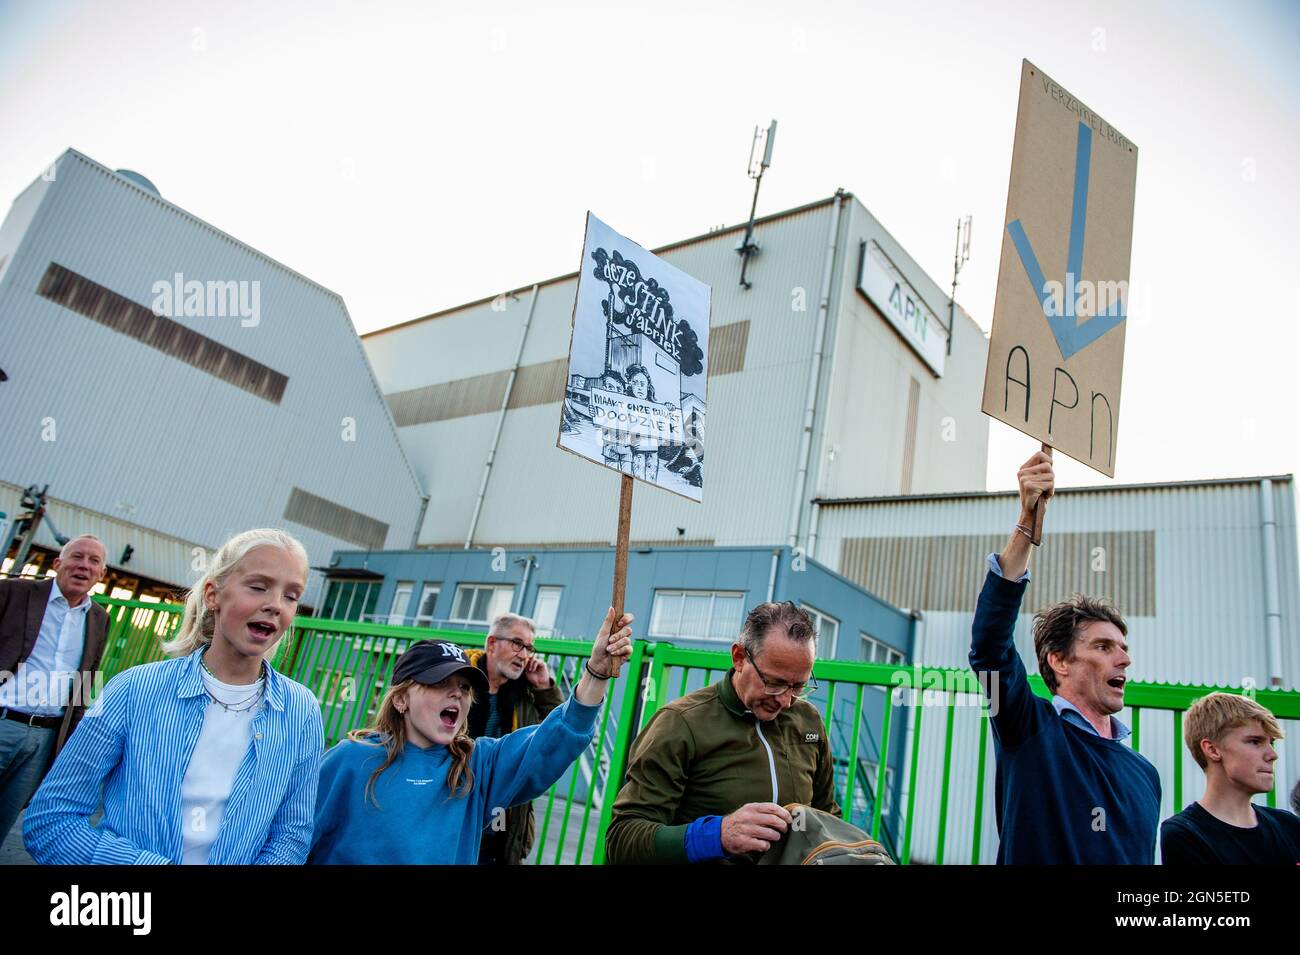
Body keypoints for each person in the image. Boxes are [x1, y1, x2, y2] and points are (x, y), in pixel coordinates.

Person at [23, 529, 324, 864]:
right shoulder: (133, 690)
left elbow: (291, 836)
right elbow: (51, 820)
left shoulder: (302, 711)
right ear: (213, 594)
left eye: (291, 596)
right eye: (258, 587)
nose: (275, 605)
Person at [308, 607, 633, 864]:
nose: (457, 696)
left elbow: (557, 737)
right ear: (400, 698)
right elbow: (294, 838)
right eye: (439, 684)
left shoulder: (478, 765)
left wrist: (597, 672)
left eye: (464, 688)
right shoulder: (349, 759)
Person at [969, 450, 1161, 863]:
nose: (1123, 660)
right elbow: (989, 649)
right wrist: (1027, 520)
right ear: (1059, 661)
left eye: (1124, 649)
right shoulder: (1030, 730)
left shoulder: (1146, 775)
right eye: (1103, 647)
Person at [605, 601, 838, 864]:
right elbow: (622, 841)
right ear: (739, 657)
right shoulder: (680, 724)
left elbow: (827, 817)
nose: (785, 701)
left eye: (798, 686)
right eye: (775, 683)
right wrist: (717, 835)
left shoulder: (808, 721)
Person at [0, 535, 109, 843]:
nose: (84, 566)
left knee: (6, 817)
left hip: (45, 737)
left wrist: (71, 741)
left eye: (94, 561)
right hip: (3, 719)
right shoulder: (13, 593)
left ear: (102, 574)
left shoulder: (100, 619)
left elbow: (87, 680)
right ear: (58, 564)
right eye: (77, 557)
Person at [465, 612, 563, 865]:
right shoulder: (458, 680)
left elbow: (558, 732)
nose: (524, 654)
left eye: (529, 647)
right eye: (517, 643)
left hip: (502, 827)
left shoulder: (525, 693)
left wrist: (544, 688)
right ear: (491, 643)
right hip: (456, 812)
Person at [1159, 692, 1300, 863]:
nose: (1272, 754)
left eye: (1271, 743)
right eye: (1255, 741)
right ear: (1212, 750)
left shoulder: (1289, 825)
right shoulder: (1186, 834)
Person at [623, 363, 660, 482]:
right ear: (630, 385)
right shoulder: (625, 405)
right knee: (637, 478)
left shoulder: (656, 408)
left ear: (648, 386)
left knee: (651, 481)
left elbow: (663, 428)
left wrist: (669, 410)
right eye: (635, 383)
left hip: (653, 451)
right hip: (636, 450)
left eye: (642, 384)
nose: (639, 387)